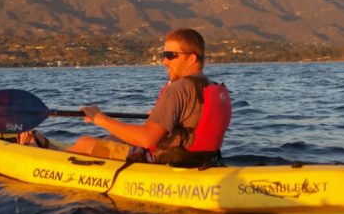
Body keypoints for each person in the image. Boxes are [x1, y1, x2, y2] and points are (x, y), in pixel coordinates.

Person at [67, 28, 232, 167]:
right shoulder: (209, 86)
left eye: (171, 55)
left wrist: (99, 118)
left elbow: (146, 139)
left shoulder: (176, 89)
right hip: (200, 161)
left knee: (84, 143)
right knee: (112, 138)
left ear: (192, 58)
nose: (164, 61)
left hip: (161, 162)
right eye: (164, 55)